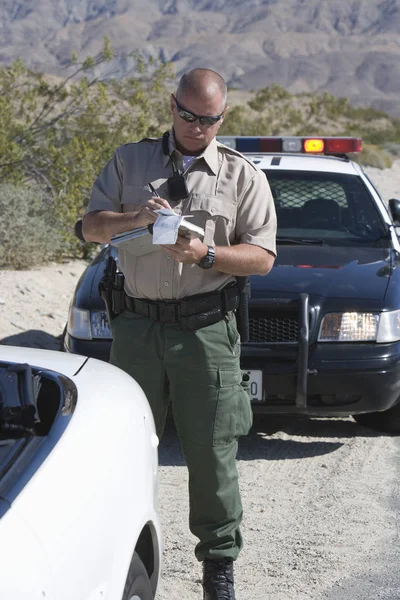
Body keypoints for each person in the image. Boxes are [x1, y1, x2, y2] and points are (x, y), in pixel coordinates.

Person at [82, 68, 277, 600]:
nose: (197, 127)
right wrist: (130, 219)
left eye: (209, 120)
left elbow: (261, 258)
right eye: (188, 115)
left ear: (223, 117)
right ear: (172, 105)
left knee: (211, 453)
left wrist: (208, 254)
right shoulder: (130, 160)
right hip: (138, 328)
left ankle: (218, 568)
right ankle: (120, 556)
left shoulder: (242, 177)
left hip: (205, 331)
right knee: (125, 449)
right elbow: (89, 227)